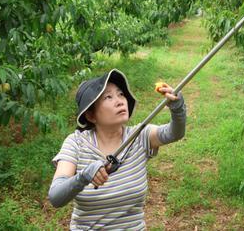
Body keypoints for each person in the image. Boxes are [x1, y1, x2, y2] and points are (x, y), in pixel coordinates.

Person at [48, 68, 186, 230]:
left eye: (121, 94)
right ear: (91, 115)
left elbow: (174, 133)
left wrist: (178, 108)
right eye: (108, 97)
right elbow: (56, 197)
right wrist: (84, 176)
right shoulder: (76, 143)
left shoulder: (139, 137)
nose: (120, 101)